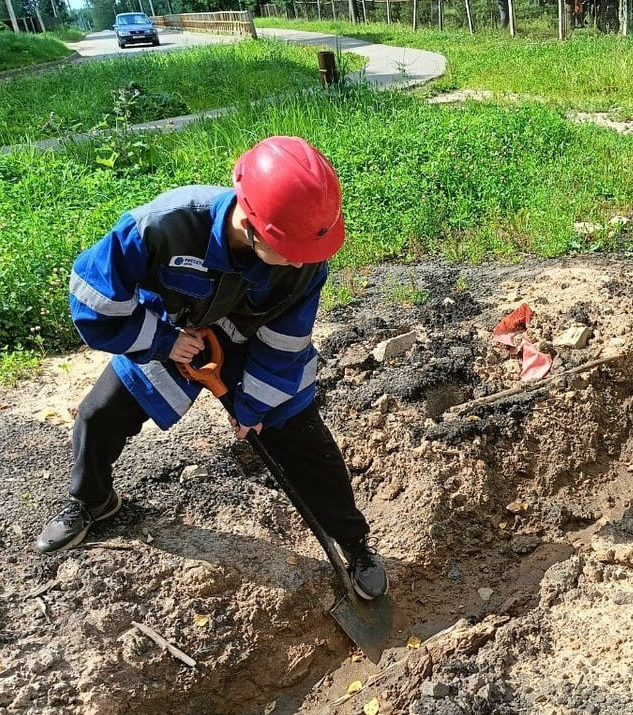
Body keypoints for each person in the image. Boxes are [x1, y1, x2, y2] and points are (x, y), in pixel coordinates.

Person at [34, 136, 389, 601]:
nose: (302, 259)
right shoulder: (164, 225)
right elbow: (92, 297)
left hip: (253, 346)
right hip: (173, 335)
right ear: (250, 220)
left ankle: (355, 544)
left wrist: (256, 405)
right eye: (291, 247)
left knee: (303, 439)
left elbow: (286, 339)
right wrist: (161, 340)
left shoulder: (306, 258)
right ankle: (92, 501)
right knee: (99, 415)